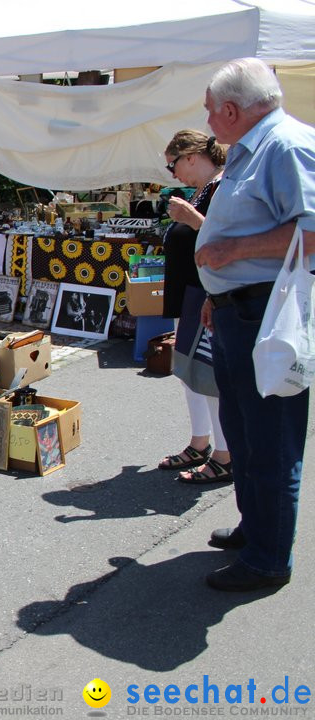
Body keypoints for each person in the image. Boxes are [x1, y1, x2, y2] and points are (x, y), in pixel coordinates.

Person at [193, 58, 315, 591]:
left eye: (209, 110)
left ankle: (269, 558)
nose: (206, 119)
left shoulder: (285, 145)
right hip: (240, 309)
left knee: (270, 441)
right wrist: (218, 294)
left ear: (231, 109)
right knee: (244, 434)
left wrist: (233, 253)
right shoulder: (255, 147)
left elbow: (312, 232)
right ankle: (257, 529)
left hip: (266, 313)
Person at [155, 130, 232, 485]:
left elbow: (225, 242)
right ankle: (200, 442)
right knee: (190, 374)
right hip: (189, 292)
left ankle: (224, 453)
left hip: (205, 293)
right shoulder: (204, 190)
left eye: (173, 164)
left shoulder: (222, 187)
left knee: (206, 374)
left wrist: (191, 219)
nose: (172, 174)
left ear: (190, 156)